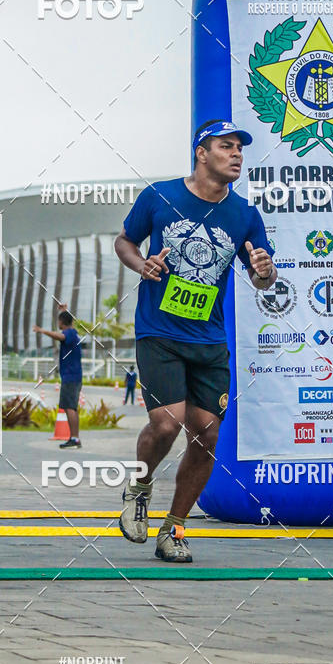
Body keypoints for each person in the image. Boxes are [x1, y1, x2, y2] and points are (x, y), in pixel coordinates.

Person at [114, 119, 276, 563]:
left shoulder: (244, 215)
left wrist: (265, 271)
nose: (237, 154)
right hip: (160, 332)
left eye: (240, 148)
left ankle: (174, 529)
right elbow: (124, 241)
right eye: (226, 147)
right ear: (201, 153)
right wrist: (141, 264)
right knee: (167, 424)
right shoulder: (160, 196)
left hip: (209, 341)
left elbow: (262, 279)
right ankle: (141, 485)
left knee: (206, 435)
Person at [33, 305, 83, 449]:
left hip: (71, 377)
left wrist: (42, 331)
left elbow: (61, 336)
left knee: (70, 407)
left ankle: (75, 438)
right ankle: (74, 438)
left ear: (61, 323)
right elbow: (67, 321)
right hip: (72, 376)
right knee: (69, 407)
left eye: (59, 321)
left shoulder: (70, 334)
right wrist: (61, 310)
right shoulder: (73, 332)